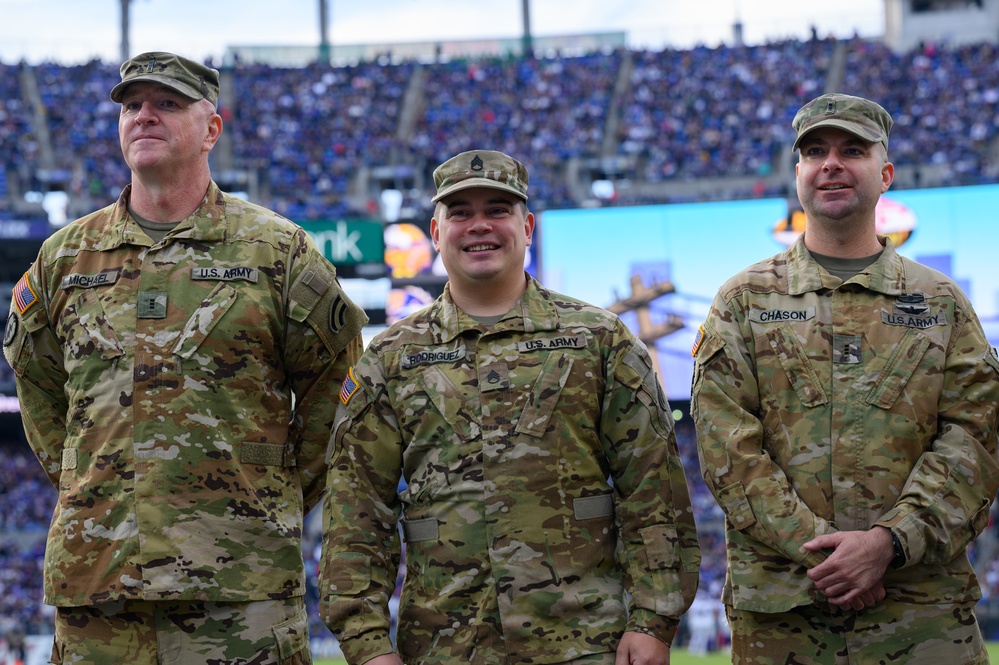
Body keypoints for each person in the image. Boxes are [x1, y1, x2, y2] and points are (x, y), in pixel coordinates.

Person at [2, 51, 367, 664]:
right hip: (100, 587)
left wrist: (270, 491)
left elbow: (342, 380)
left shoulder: (276, 251)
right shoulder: (65, 258)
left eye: (167, 104)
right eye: (132, 105)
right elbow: (36, 382)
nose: (144, 116)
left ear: (212, 130)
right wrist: (89, 480)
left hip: (238, 587)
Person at [319, 149, 700, 665]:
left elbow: (651, 486)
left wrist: (654, 620)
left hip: (584, 644)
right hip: (442, 647)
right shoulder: (389, 358)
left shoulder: (599, 341)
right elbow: (357, 507)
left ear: (528, 226)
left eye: (498, 209)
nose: (480, 225)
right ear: (435, 231)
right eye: (461, 213)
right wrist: (366, 645)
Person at [691, 92, 999, 663]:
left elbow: (973, 443)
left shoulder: (941, 302)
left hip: (921, 615)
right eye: (815, 151)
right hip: (786, 618)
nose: (831, 163)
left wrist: (888, 543)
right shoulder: (743, 300)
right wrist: (827, 558)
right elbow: (726, 448)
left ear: (885, 174)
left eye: (851, 150)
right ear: (800, 175)